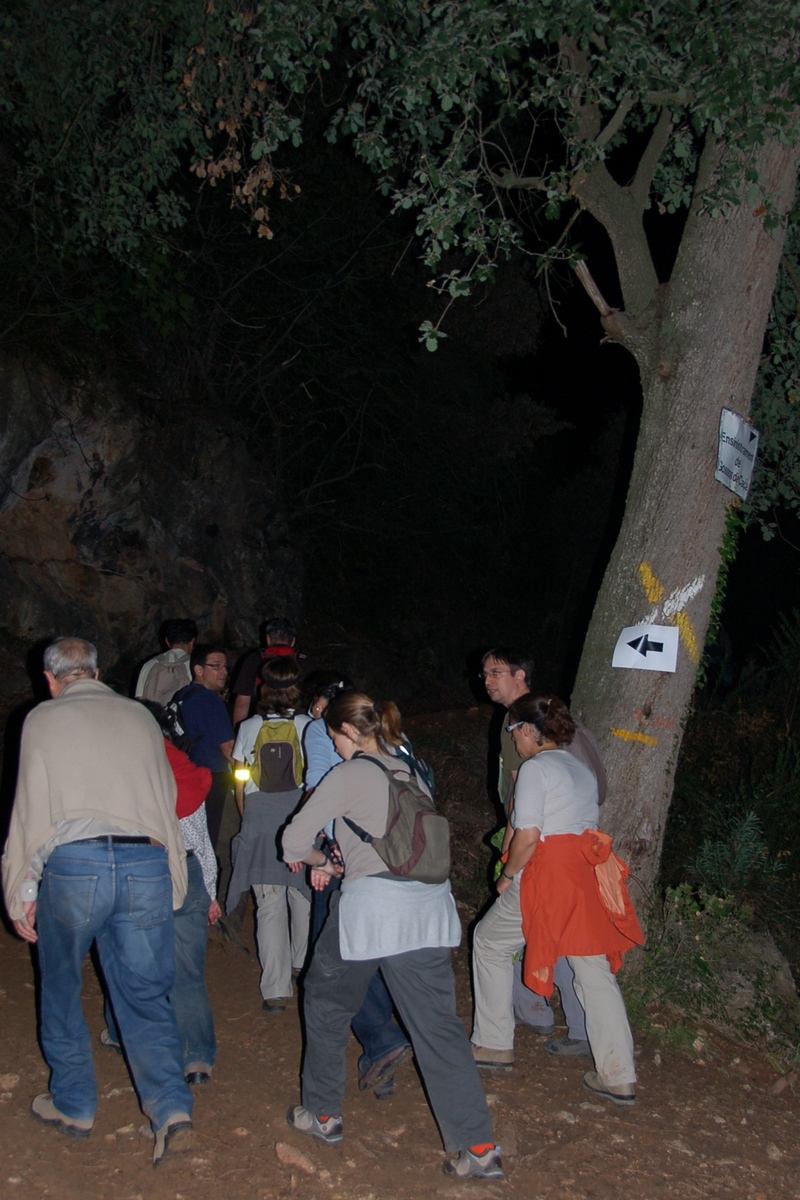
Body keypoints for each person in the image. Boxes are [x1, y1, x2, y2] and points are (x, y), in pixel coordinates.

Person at [282, 692, 503, 1181]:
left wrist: (324, 863)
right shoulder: (414, 771)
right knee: (438, 1027)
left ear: (347, 732)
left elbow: (293, 842)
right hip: (428, 910)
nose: (335, 747)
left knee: (325, 1001)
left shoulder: (349, 774)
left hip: (373, 910)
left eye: (334, 738)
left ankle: (322, 1113)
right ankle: (479, 1146)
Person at [1, 637, 194, 1166]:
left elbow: (31, 810)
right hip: (145, 863)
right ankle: (172, 1110)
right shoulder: (139, 717)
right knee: (145, 993)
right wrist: (173, 876)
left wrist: (23, 889)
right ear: (97, 671)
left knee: (62, 984)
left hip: (76, 864)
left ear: (50, 679)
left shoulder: (43, 719)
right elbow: (164, 798)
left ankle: (75, 1104)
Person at [471, 694, 643, 1105]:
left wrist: (507, 876)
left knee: (489, 943)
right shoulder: (579, 769)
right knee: (592, 969)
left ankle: (493, 1042)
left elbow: (529, 835)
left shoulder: (536, 769)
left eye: (514, 730)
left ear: (530, 730)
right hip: (583, 876)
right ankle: (619, 1075)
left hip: (547, 875)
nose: (513, 739)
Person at [482, 645, 605, 1056]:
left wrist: (511, 854)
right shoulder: (529, 717)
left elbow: (522, 787)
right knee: (547, 930)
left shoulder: (529, 721)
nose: (488, 681)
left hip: (545, 845)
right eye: (485, 673)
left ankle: (545, 1016)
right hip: (563, 844)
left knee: (539, 932)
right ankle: (536, 1007)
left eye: (496, 672)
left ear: (520, 675)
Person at [302, 673, 412, 1100]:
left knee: (332, 962)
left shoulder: (321, 731)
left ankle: (378, 1044)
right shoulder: (394, 737)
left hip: (348, 861)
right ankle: (383, 1056)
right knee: (377, 956)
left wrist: (324, 852)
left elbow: (319, 791)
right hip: (402, 862)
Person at [102, 700, 221, 1086]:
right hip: (186, 871)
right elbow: (200, 841)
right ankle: (196, 1058)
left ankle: (120, 1033)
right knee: (187, 972)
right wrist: (210, 892)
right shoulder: (182, 770)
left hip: (137, 870)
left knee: (127, 961)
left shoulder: (115, 769)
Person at [227, 658, 311, 1013]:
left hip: (260, 816)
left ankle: (276, 989)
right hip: (299, 814)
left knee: (269, 903)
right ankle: (302, 965)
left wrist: (248, 814)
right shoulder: (307, 725)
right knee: (303, 895)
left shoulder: (249, 726)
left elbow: (240, 776)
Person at [172, 644, 234, 850]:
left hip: (185, 773)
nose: (223, 672)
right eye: (216, 666)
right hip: (211, 774)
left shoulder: (183, 695)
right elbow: (227, 746)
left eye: (225, 667)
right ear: (198, 669)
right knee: (209, 833)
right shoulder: (208, 699)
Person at [232, 616, 317, 727]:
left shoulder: (254, 659)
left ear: (267, 639)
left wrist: (238, 731)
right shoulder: (305, 661)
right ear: (293, 641)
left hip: (262, 723)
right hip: (298, 724)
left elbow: (242, 702)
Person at [135, 618, 197, 704]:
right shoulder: (196, 665)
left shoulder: (150, 664)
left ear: (167, 641)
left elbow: (139, 698)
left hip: (154, 712)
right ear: (192, 641)